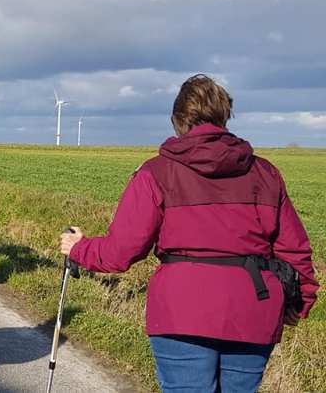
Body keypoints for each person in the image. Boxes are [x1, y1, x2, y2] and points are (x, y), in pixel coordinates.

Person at [59, 74, 318, 392]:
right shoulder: (265, 173)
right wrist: (299, 302)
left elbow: (122, 250)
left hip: (181, 312)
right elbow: (295, 249)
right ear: (224, 116)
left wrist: (80, 248)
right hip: (253, 309)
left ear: (178, 120)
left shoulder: (156, 172)